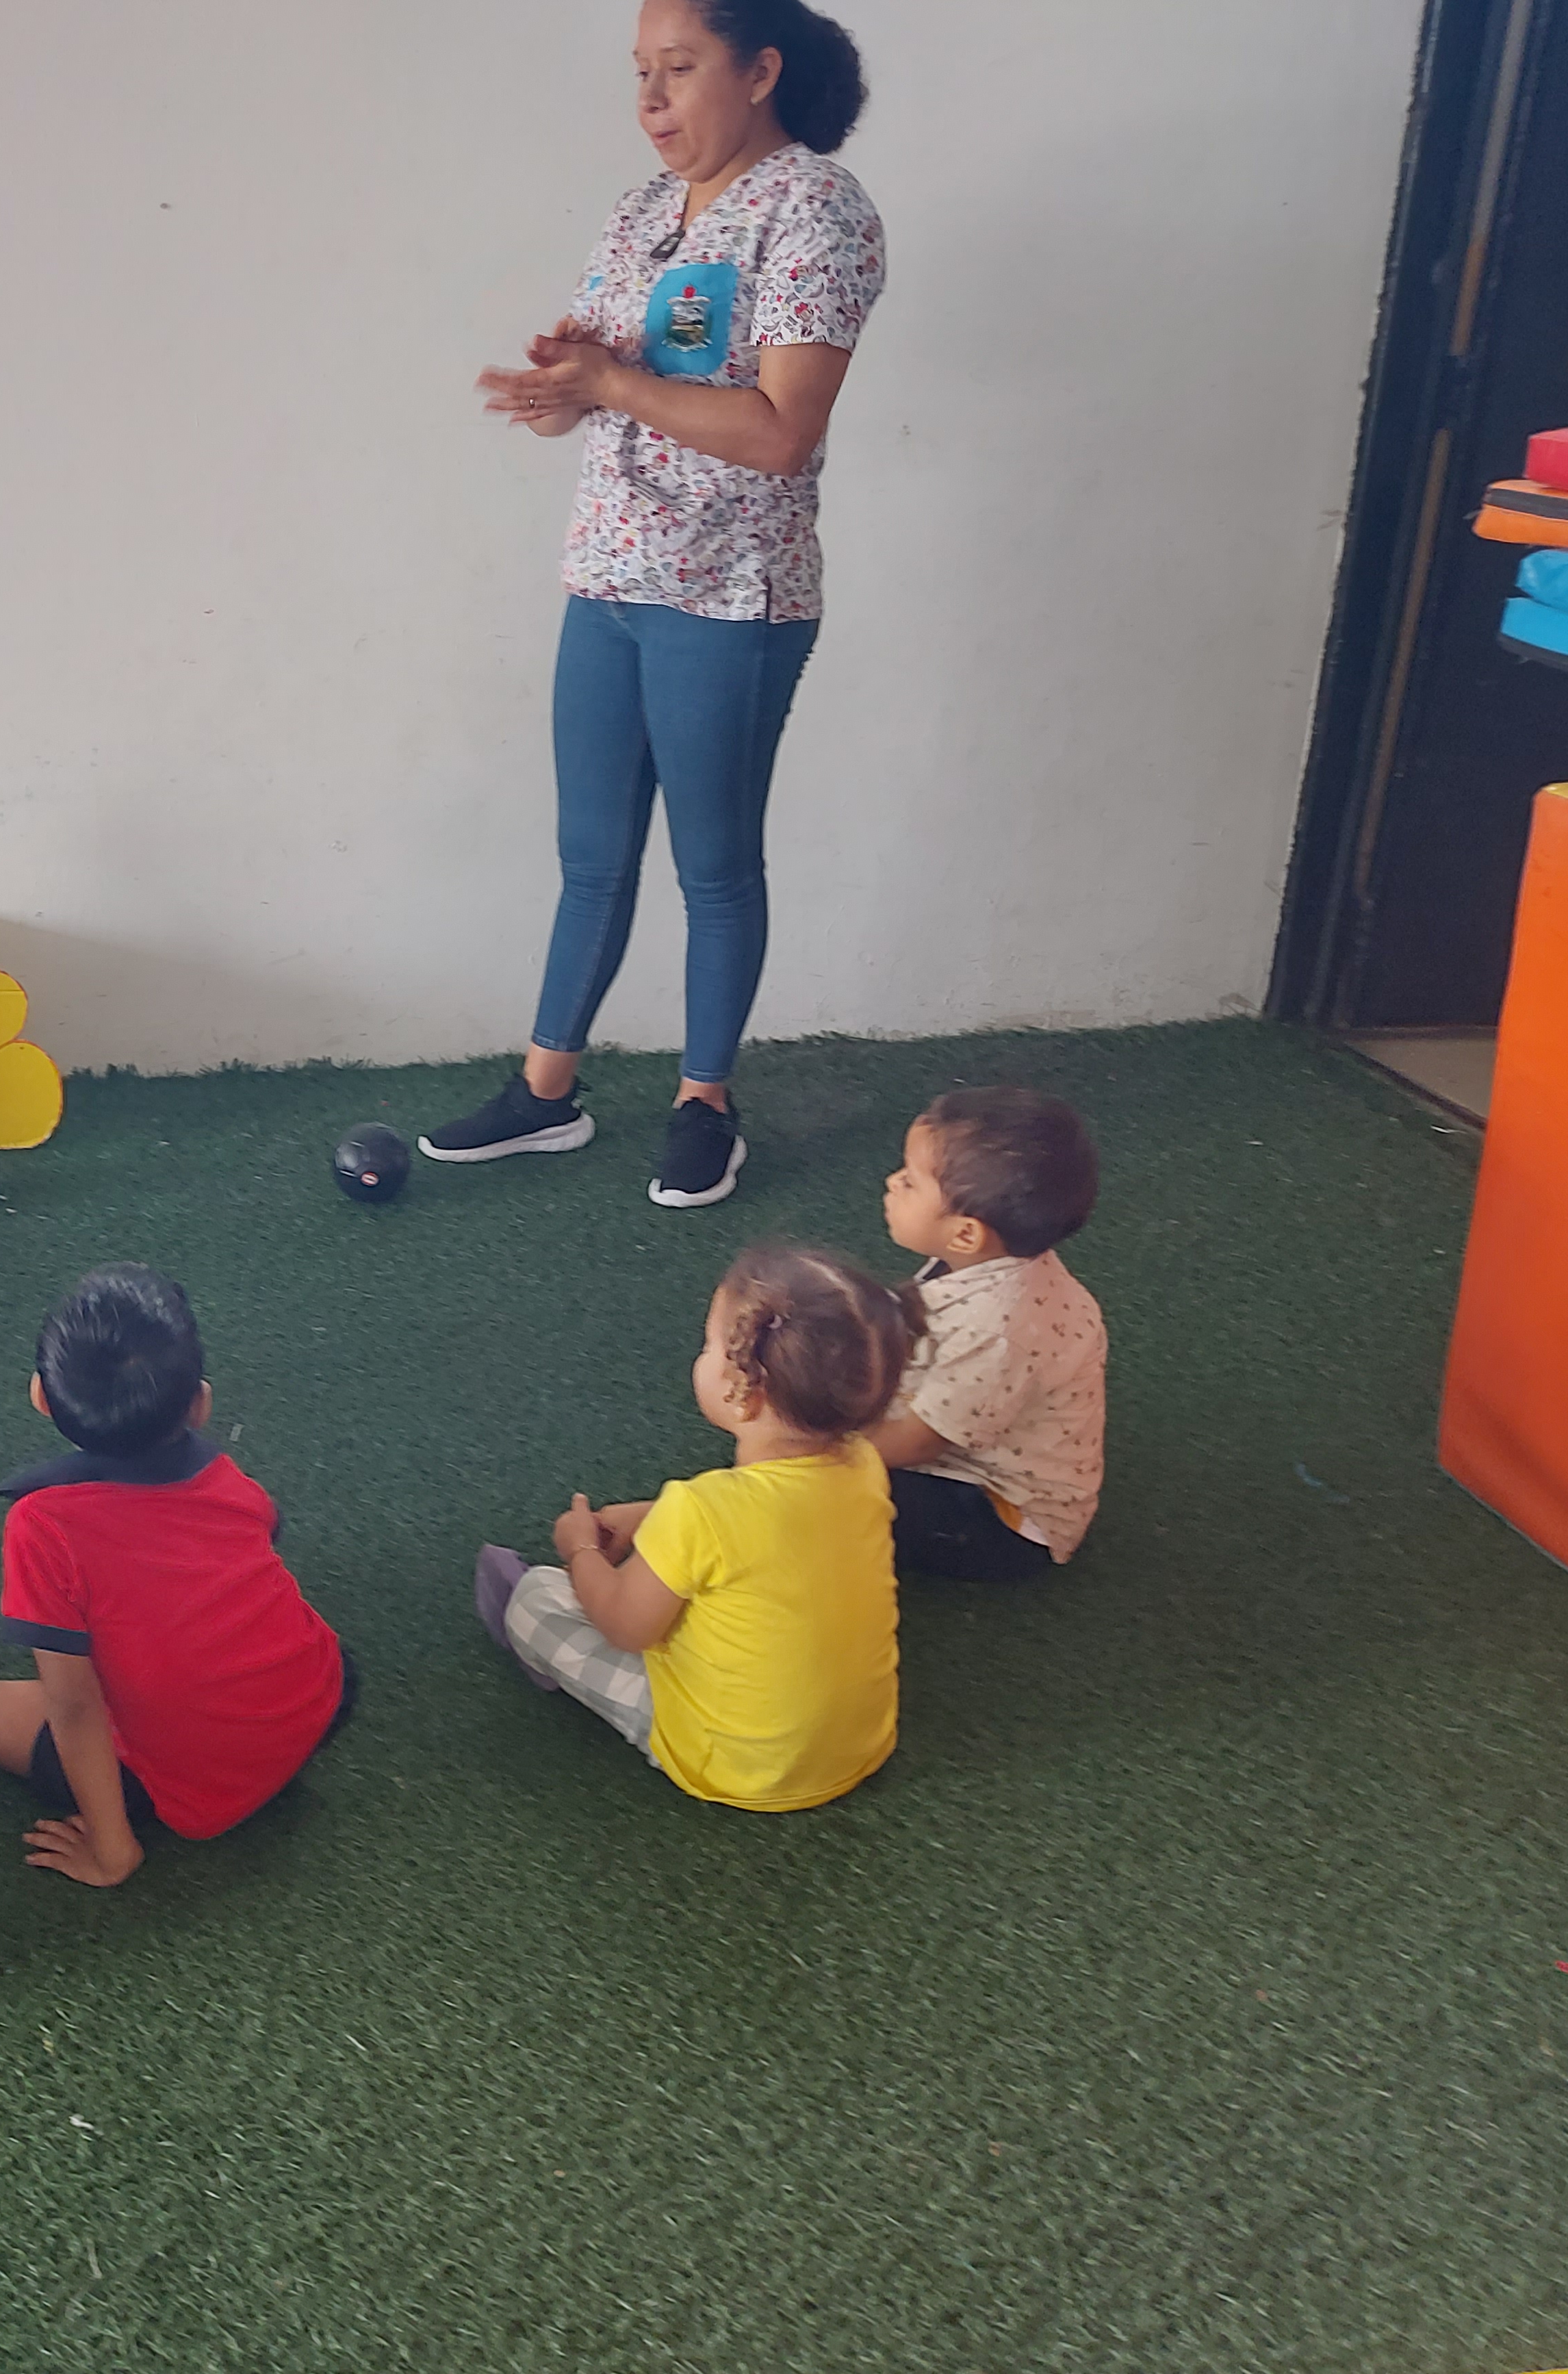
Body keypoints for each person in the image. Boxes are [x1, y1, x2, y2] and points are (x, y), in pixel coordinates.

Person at [423, 0, 885, 1208]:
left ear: (760, 70)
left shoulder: (815, 210)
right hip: (609, 577)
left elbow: (779, 432)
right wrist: (562, 392)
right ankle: (545, 1093)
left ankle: (704, 1106)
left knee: (714, 867)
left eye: (678, 68)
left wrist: (613, 385)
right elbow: (614, 381)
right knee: (590, 856)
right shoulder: (640, 213)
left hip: (729, 594)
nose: (650, 98)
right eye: (639, 71)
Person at [473, 1241, 918, 1811]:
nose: (701, 1358)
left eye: (710, 1348)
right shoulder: (863, 1465)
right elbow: (764, 1526)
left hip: (732, 1763)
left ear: (744, 1395)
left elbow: (626, 1627)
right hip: (860, 1745)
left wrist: (581, 1549)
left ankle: (532, 1638)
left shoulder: (702, 1512)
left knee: (538, 1599)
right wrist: (650, 1518)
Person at [0, 1264, 356, 1887]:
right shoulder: (223, 1474)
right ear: (201, 1405)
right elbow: (262, 1535)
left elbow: (74, 1705)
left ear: (40, 1396)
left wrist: (111, 1850)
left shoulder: (40, 1526)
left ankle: (132, 1832)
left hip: (194, 1783)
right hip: (321, 1703)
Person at [866, 1086, 1107, 1579]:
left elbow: (921, 1443)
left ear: (966, 1233)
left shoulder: (998, 1329)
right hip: (971, 1451)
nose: (892, 1182)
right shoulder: (981, 1261)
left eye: (910, 1181)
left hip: (1000, 1517)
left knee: (825, 1497)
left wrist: (808, 1454)